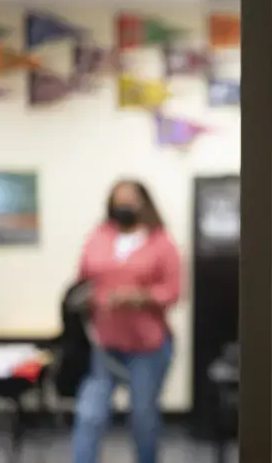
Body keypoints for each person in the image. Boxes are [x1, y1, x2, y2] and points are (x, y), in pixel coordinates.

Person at [72, 179, 181, 463]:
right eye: (117, 201)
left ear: (144, 203)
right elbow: (83, 280)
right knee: (89, 415)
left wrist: (140, 297)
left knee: (143, 418)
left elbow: (173, 291)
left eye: (129, 200)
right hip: (104, 345)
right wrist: (87, 298)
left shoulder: (160, 241)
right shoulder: (98, 237)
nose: (123, 206)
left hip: (148, 347)